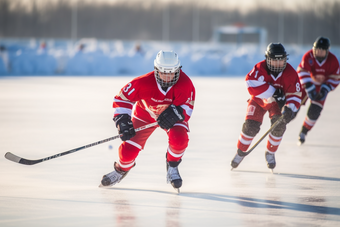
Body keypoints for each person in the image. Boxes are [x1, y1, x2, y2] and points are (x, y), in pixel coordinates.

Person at [100, 50, 195, 191]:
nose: (168, 76)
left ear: (178, 70)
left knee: (179, 139)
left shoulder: (185, 84)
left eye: (172, 72)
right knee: (127, 152)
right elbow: (122, 99)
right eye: (163, 72)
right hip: (145, 115)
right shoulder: (142, 83)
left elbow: (187, 106)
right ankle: (121, 170)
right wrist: (122, 120)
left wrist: (176, 113)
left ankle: (172, 164)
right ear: (156, 70)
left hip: (172, 117)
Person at [230, 43, 302, 171]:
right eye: (274, 60)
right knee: (250, 127)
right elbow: (250, 83)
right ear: (268, 59)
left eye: (281, 61)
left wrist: (290, 108)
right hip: (258, 101)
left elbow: (295, 94)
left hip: (277, 104)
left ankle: (270, 152)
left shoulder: (290, 73)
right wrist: (273, 92)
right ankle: (240, 152)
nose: (278, 64)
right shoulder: (259, 68)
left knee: (279, 126)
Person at [295, 36, 340, 145]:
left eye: (322, 50)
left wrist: (325, 89)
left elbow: (336, 77)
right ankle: (280, 124)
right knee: (293, 106)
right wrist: (309, 86)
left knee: (314, 112)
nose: (318, 52)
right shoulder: (308, 56)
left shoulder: (333, 61)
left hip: (321, 88)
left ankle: (303, 132)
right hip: (305, 85)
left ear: (327, 52)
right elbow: (301, 71)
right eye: (317, 50)